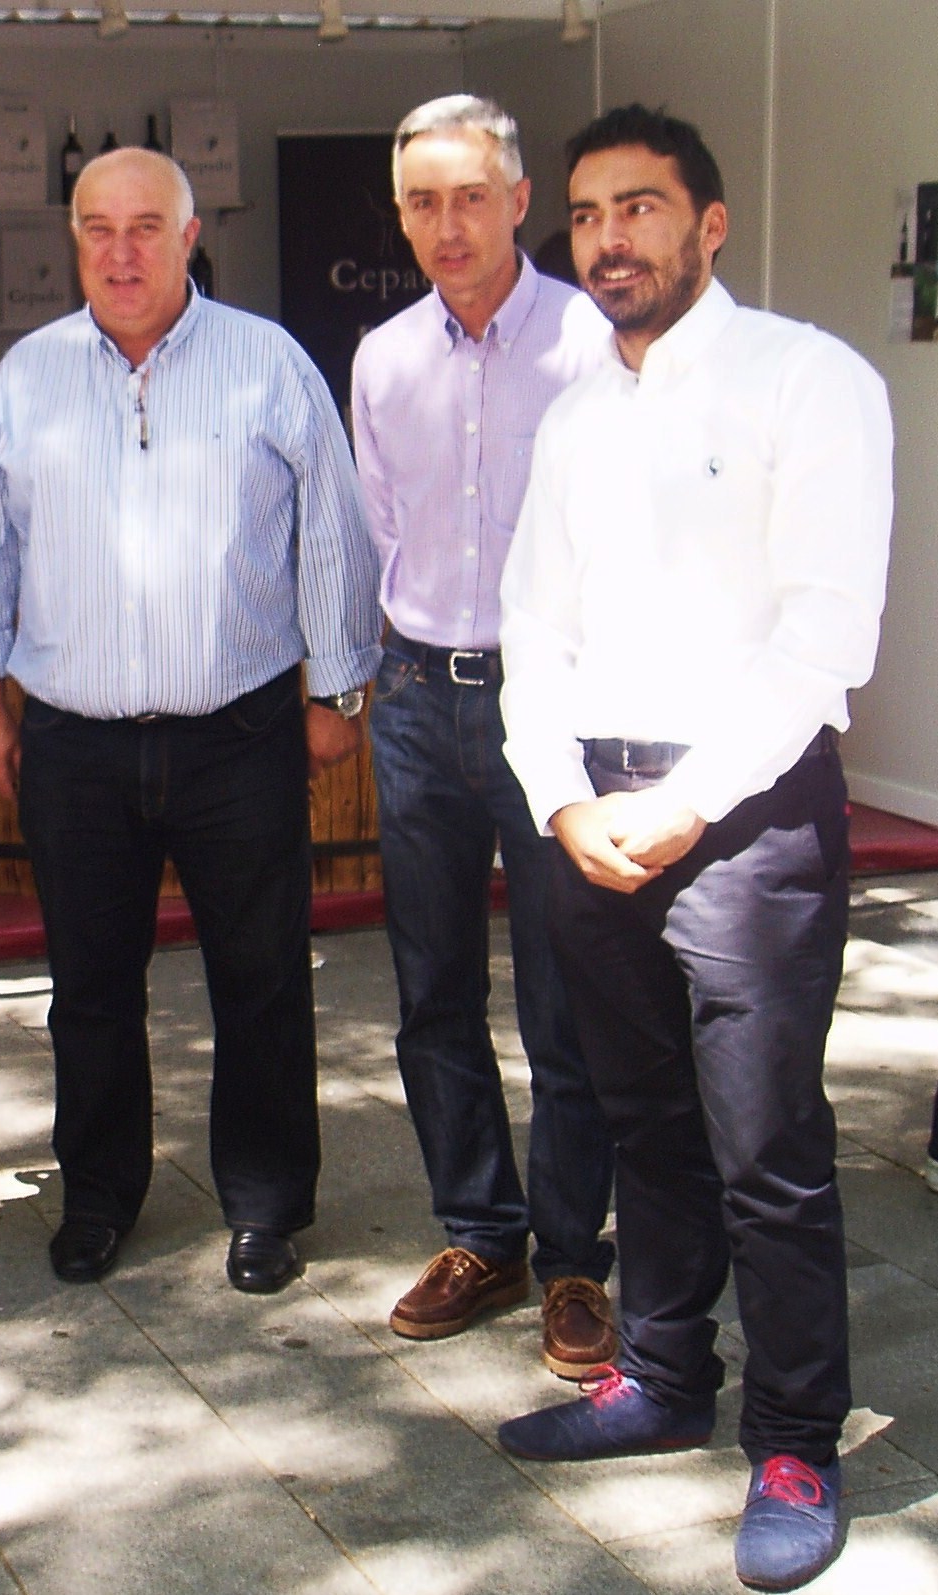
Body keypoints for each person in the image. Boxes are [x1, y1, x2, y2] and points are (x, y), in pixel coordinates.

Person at [492, 107, 892, 1594]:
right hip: (595, 811)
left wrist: (689, 803)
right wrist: (559, 800)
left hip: (751, 812)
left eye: (642, 207)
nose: (611, 238)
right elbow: (532, 625)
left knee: (765, 1146)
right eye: (590, 213)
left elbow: (823, 637)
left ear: (709, 225)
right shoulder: (573, 415)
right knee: (640, 1117)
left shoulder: (808, 380)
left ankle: (793, 1439)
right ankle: (662, 1375)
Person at [0, 148, 381, 1295]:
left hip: (238, 733)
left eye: (146, 227)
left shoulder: (267, 362)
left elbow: (333, 530)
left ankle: (267, 1202)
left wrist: (339, 689)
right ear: (74, 240)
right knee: (89, 987)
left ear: (189, 237)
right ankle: (98, 1196)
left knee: (262, 977)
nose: (122, 251)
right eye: (99, 228)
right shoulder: (28, 377)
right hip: (75, 742)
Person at [350, 94, 618, 1378]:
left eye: (470, 197)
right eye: (423, 202)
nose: (447, 225)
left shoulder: (594, 342)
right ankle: (480, 1233)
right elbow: (382, 526)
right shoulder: (382, 357)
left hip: (554, 701)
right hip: (418, 696)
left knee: (569, 997)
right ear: (401, 215)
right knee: (434, 989)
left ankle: (573, 1257)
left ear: (519, 200)